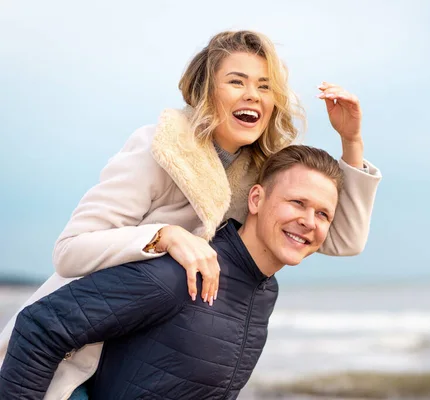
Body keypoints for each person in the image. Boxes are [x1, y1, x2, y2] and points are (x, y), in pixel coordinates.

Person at [0, 30, 381, 398]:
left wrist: (351, 141)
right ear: (206, 90)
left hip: (149, 345)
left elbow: (339, 237)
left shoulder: (255, 171)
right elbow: (68, 252)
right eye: (237, 81)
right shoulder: (160, 148)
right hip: (74, 353)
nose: (253, 95)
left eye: (265, 86)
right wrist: (164, 236)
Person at [0, 145, 343, 400]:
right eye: (297, 203)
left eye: (323, 214)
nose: (308, 222)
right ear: (256, 199)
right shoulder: (181, 273)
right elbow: (41, 325)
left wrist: (352, 141)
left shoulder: (265, 291)